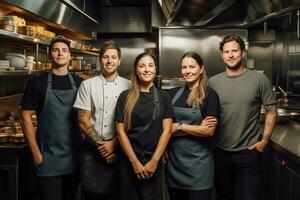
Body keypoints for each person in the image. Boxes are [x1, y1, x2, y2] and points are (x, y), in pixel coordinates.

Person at [208, 34, 277, 200]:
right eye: (226, 52)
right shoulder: (213, 82)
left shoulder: (259, 79)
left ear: (243, 53)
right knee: (224, 197)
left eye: (234, 51)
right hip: (220, 153)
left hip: (249, 153)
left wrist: (265, 141)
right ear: (221, 55)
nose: (231, 55)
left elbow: (271, 110)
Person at [20, 35, 83, 200]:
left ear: (69, 55)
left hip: (74, 158)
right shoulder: (37, 83)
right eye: (56, 50)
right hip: (47, 159)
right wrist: (36, 153)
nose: (60, 54)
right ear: (50, 54)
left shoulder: (80, 83)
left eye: (64, 50)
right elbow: (25, 116)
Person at [73, 40, 130, 200]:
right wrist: (103, 147)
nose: (109, 61)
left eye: (113, 57)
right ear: (100, 59)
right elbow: (83, 120)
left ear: (119, 60)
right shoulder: (87, 85)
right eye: (106, 57)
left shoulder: (129, 86)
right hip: (92, 150)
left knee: (120, 193)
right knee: (92, 194)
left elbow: (130, 121)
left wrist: (114, 143)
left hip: (121, 148)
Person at [115, 52, 173, 200]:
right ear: (136, 70)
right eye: (142, 66)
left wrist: (154, 161)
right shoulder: (125, 97)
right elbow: (120, 132)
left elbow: (167, 131)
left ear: (155, 69)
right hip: (129, 162)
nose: (146, 70)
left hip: (154, 162)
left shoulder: (164, 97)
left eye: (150, 65)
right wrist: (134, 162)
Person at [166, 51, 220, 200]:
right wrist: (196, 129)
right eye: (184, 67)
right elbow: (166, 129)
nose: (187, 71)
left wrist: (179, 126)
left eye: (192, 66)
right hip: (174, 165)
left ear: (201, 69)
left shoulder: (210, 95)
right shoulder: (172, 94)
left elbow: (208, 131)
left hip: (200, 167)